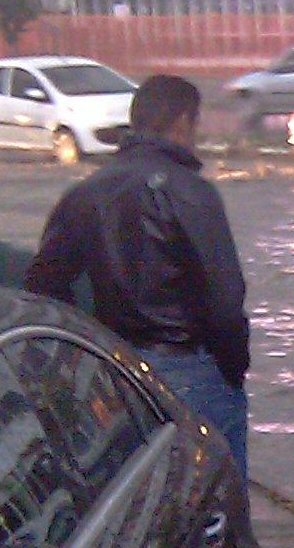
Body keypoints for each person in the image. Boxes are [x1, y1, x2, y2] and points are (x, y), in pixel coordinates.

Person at [25, 74, 251, 473]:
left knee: (136, 487)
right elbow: (225, 300)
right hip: (191, 368)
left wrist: (86, 353)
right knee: (215, 489)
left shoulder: (86, 194)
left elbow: (44, 287)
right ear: (184, 121)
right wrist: (233, 369)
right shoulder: (193, 193)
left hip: (116, 371)